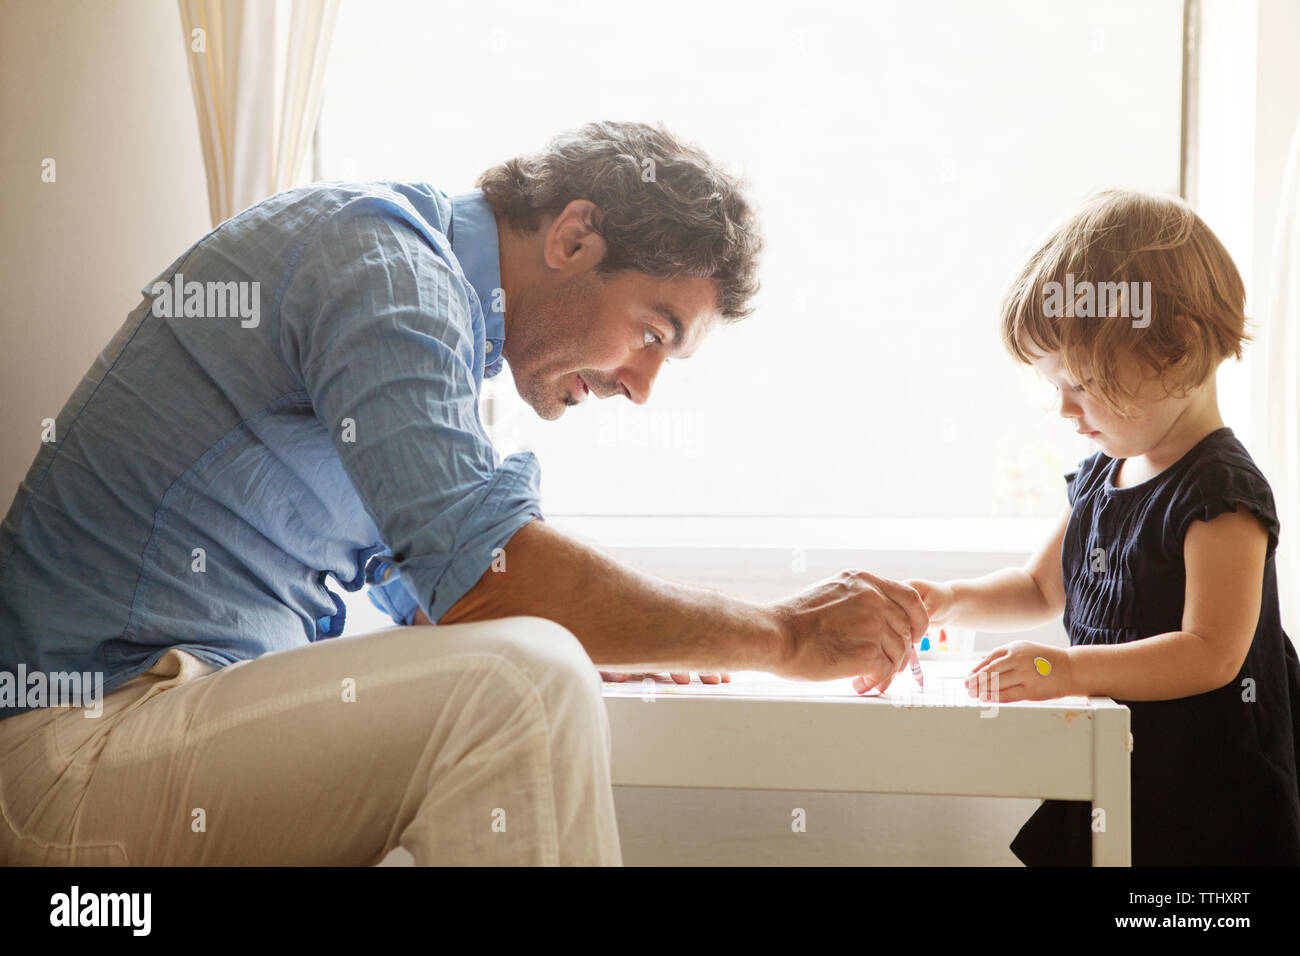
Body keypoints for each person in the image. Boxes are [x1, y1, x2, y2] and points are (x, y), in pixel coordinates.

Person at [0, 121, 927, 866]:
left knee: (533, 662)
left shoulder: (438, 345)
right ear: (572, 237)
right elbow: (494, 583)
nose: (641, 387)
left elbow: (451, 601)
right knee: (523, 685)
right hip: (73, 752)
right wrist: (785, 637)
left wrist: (625, 632)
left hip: (151, 729)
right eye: (652, 332)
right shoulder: (385, 269)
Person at [905, 189, 1300, 865]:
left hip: (1210, 793)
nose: (1063, 407)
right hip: (1117, 763)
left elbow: (1212, 651)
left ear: (1175, 350)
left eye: (1082, 383)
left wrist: (1066, 668)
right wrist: (948, 600)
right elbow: (1038, 588)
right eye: (1052, 384)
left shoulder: (1220, 493)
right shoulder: (1102, 471)